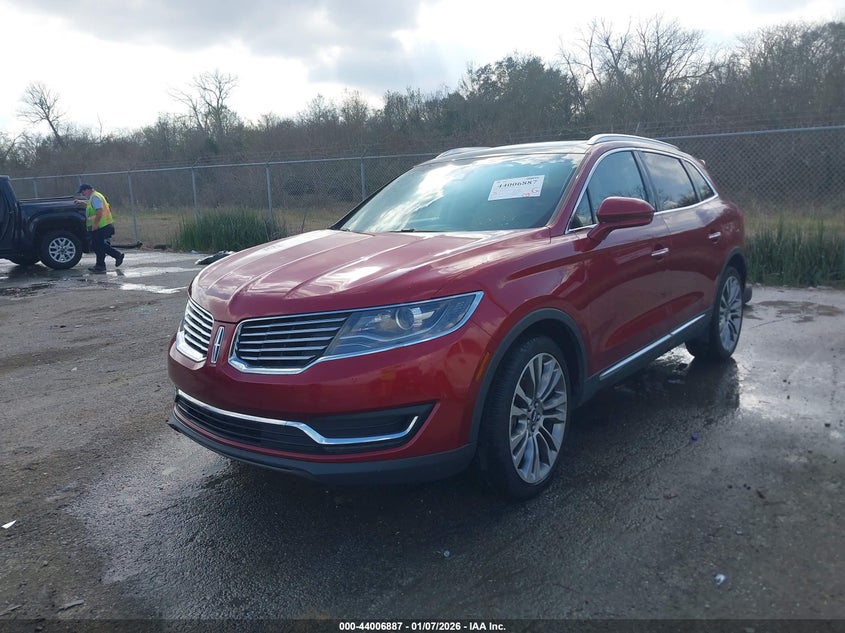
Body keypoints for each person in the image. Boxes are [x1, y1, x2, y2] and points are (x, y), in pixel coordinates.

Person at [74, 183, 124, 273]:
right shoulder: (95, 196)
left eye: (82, 192)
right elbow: (92, 206)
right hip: (104, 224)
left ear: (87, 189)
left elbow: (99, 211)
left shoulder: (95, 197)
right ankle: (101, 265)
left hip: (101, 225)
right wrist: (83, 203)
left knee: (98, 244)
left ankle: (115, 256)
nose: (82, 194)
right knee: (98, 244)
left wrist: (95, 224)